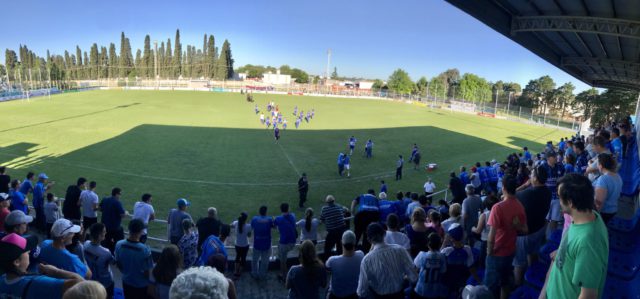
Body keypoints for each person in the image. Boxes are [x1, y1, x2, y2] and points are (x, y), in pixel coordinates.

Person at [540, 173, 609, 299]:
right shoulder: (584, 215)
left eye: (560, 198)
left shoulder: (588, 242)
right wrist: (562, 252)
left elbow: (588, 296)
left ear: (570, 203)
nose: (559, 202)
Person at [0, 233, 83, 299]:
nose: (29, 252)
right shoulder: (37, 283)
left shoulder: (2, 279)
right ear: (17, 262)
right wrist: (56, 271)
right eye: (26, 252)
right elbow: (79, 283)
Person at [484, 174, 527, 299]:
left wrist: (489, 252)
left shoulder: (497, 208)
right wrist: (517, 226)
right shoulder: (519, 206)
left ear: (503, 188)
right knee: (505, 281)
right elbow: (525, 230)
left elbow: (491, 237)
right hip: (510, 251)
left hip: (497, 254)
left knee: (490, 286)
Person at [357, 223, 417, 298]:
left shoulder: (366, 260)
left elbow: (361, 291)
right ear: (385, 233)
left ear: (369, 240)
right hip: (400, 295)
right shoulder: (400, 250)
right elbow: (414, 277)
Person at [513, 165, 551, 286]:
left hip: (525, 234)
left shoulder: (527, 193)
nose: (530, 176)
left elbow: (509, 195)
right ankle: (533, 272)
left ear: (535, 178)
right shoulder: (548, 191)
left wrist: (524, 185)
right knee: (533, 252)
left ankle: (518, 285)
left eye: (532, 174)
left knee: (519, 262)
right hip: (540, 229)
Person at [115, 219, 154, 299]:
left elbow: (118, 264)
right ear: (141, 231)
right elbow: (148, 273)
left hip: (126, 281)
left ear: (129, 229)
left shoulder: (119, 244)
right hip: (141, 285)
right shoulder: (145, 250)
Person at [442, 223, 477, 297]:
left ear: (450, 237)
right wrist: (477, 279)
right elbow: (471, 266)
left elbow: (438, 257)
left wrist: (444, 242)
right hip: (462, 280)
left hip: (448, 280)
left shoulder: (446, 251)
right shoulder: (468, 249)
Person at [326, 230, 364, 299]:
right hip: (355, 294)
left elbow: (327, 271)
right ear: (355, 242)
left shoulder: (332, 260)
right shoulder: (361, 255)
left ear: (341, 242)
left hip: (337, 296)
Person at [84, 223, 115, 298]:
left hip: (91, 280)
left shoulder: (86, 244)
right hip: (105, 282)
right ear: (99, 236)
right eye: (104, 232)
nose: (106, 233)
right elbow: (113, 262)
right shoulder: (106, 252)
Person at [412, 233, 447, 299]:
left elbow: (415, 269)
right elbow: (443, 271)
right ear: (439, 245)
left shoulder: (422, 255)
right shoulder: (442, 256)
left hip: (421, 290)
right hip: (435, 292)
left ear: (428, 244)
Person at [593, 153, 623, 224]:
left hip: (604, 213)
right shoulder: (617, 176)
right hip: (613, 210)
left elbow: (598, 203)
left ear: (600, 166)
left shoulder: (603, 179)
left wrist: (593, 218)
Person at [472, 195, 498, 269]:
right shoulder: (500, 213)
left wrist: (472, 228)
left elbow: (478, 230)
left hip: (486, 241)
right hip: (497, 239)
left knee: (483, 261)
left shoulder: (484, 215)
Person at [274, 203, 297, 282]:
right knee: (284, 258)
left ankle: (284, 276)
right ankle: (284, 274)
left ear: (281, 210)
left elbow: (274, 224)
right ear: (288, 208)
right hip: (293, 242)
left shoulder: (278, 219)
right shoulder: (293, 216)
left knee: (282, 261)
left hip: (284, 243)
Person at [320, 195, 347, 260]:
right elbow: (346, 210)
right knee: (340, 248)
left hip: (332, 232)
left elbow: (322, 219)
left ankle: (327, 263)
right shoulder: (339, 207)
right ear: (334, 201)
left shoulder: (324, 209)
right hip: (341, 230)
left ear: (327, 202)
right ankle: (341, 260)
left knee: (327, 249)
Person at [99, 187, 126, 253]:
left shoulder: (105, 199)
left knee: (106, 241)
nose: (120, 196)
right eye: (120, 194)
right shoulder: (117, 202)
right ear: (116, 194)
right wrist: (126, 213)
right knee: (119, 242)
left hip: (104, 226)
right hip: (114, 227)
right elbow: (122, 215)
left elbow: (100, 208)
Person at [251, 206, 273, 280]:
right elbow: (273, 226)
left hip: (257, 244)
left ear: (259, 212)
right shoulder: (269, 219)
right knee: (265, 261)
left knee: (254, 260)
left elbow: (252, 226)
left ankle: (254, 274)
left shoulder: (254, 219)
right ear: (266, 212)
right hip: (266, 244)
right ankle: (262, 275)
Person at [231, 212, 251, 278]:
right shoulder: (248, 226)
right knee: (243, 258)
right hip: (245, 245)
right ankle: (239, 272)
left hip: (237, 244)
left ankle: (235, 271)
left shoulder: (236, 223)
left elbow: (231, 225)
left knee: (237, 257)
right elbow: (249, 235)